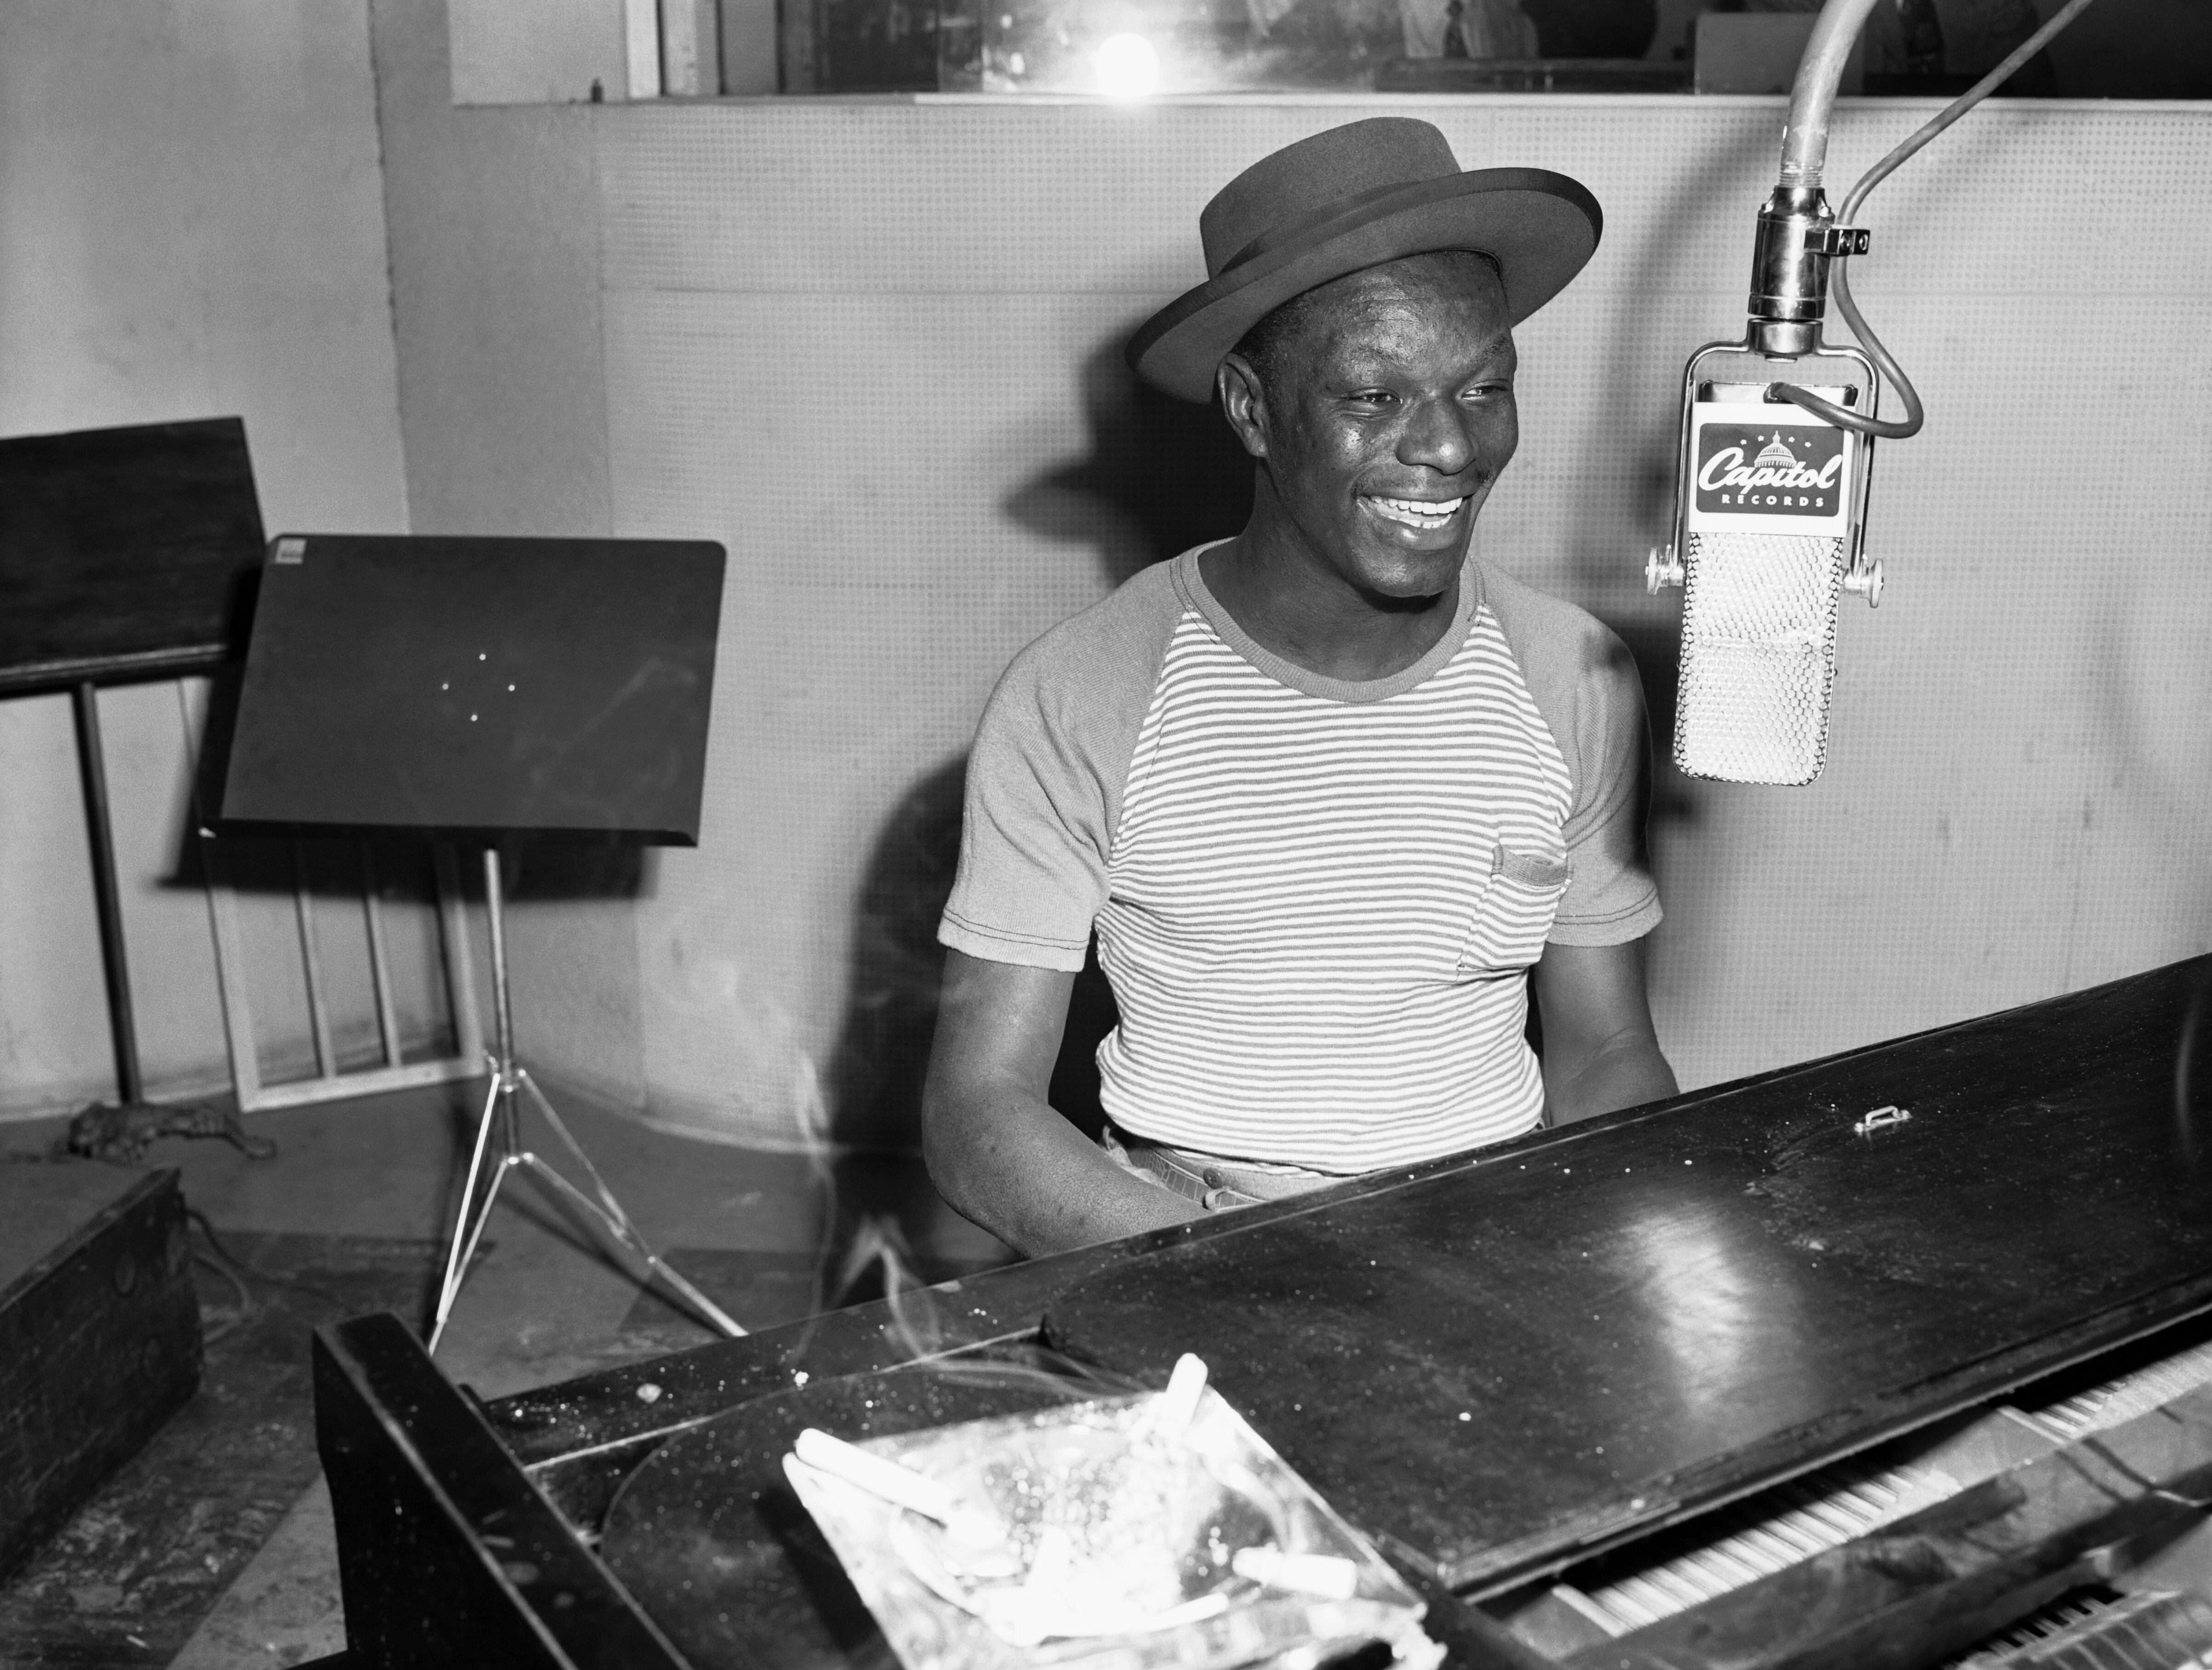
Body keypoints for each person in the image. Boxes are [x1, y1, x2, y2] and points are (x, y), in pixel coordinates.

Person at [922, 119, 1677, 1258]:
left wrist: (1629, 1243)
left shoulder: (1573, 674)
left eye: (1483, 388)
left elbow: (1604, 1049)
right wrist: (1243, 1277)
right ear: (1250, 408)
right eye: (1373, 397)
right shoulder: (1081, 692)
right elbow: (978, 1113)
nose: (1447, 449)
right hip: (1185, 1234)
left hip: (1501, 1221)